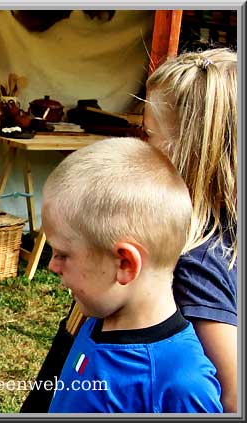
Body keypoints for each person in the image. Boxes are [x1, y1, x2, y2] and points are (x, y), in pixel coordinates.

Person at [41, 137, 222, 413]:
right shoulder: (95, 319)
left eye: (63, 254)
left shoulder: (181, 385)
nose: (52, 266)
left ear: (125, 263)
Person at [142, 48, 237, 412]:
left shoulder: (192, 265)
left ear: (189, 151)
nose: (142, 147)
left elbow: (233, 395)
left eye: (149, 135)